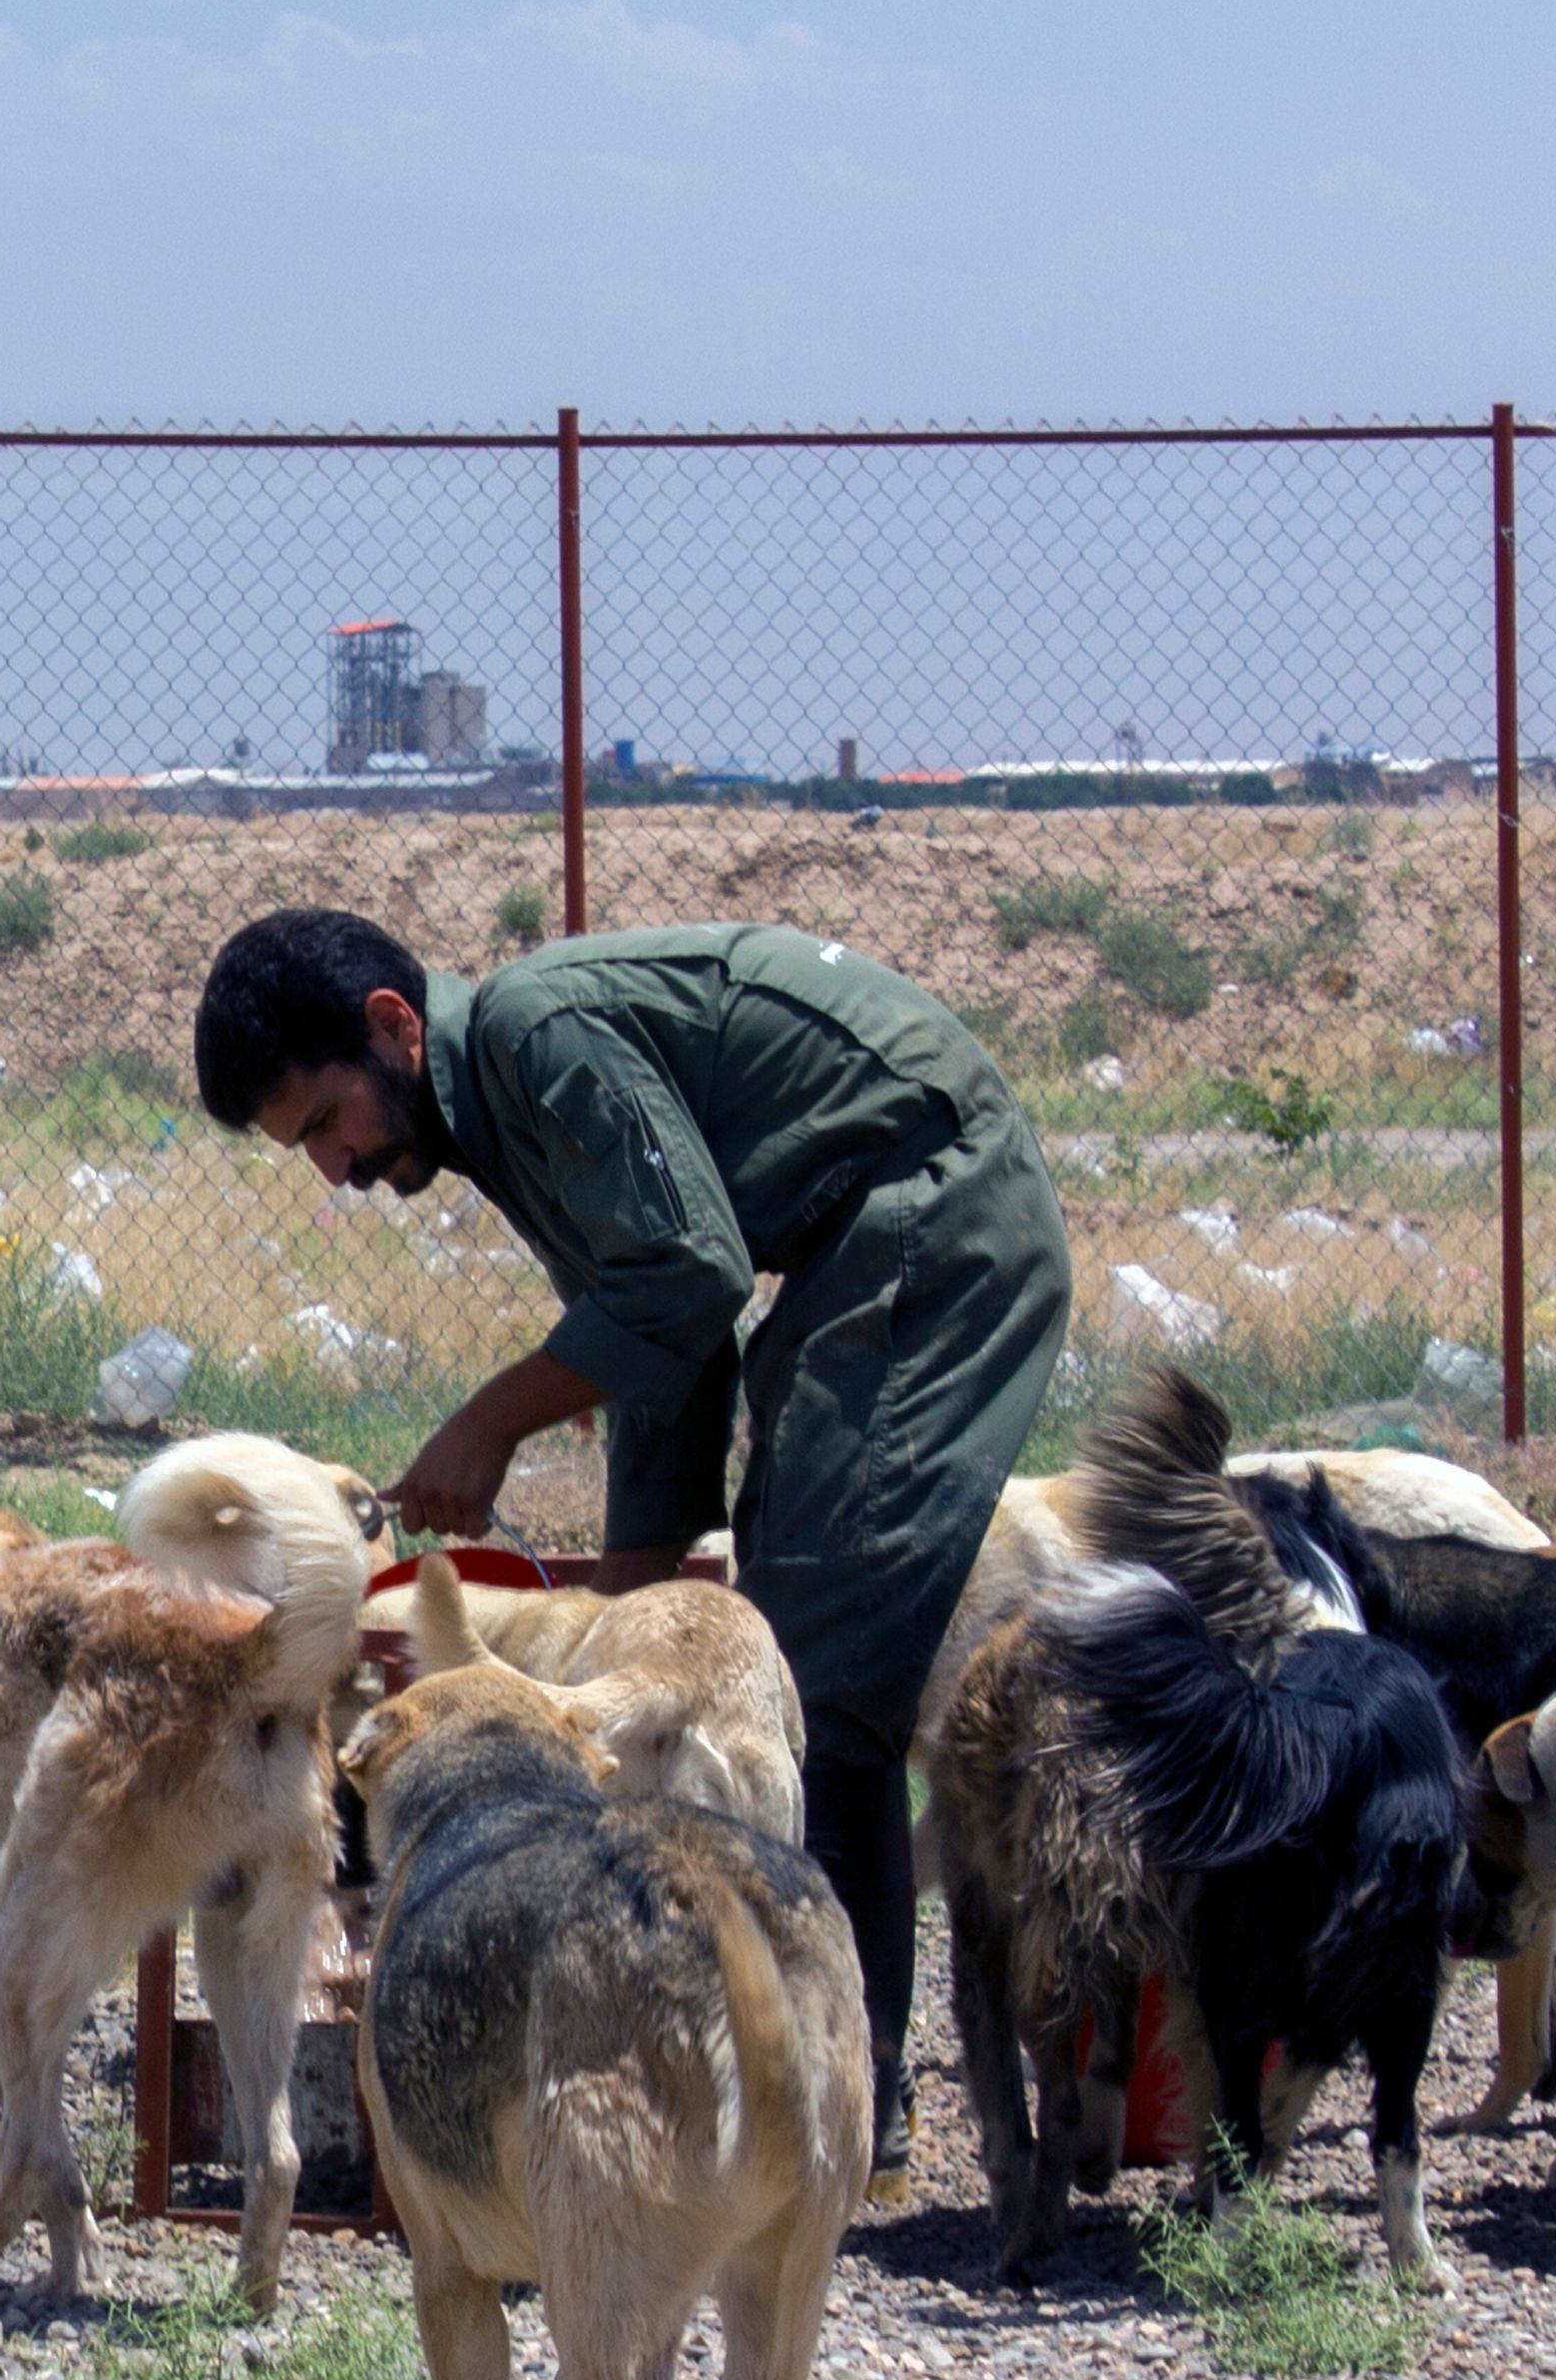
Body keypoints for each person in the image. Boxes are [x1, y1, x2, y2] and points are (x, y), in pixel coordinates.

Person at [194, 907, 1072, 2187]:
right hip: (859, 1241)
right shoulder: (493, 1099)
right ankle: (798, 2081)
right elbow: (663, 1346)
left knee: (817, 1670)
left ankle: (841, 2118)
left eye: (329, 1122)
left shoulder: (537, 1039)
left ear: (393, 1026)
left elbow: (687, 1276)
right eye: (308, 1150)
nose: (335, 1168)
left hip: (937, 1216)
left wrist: (487, 1428)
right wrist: (635, 1592)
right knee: (765, 1630)